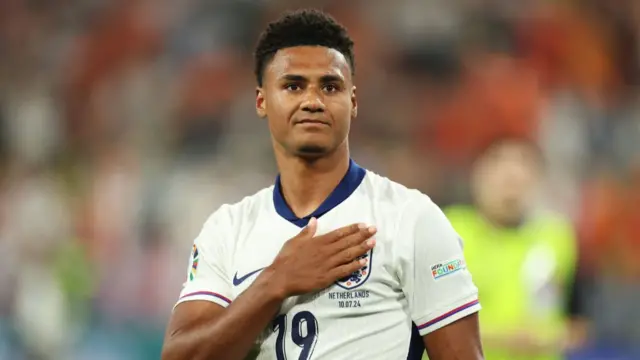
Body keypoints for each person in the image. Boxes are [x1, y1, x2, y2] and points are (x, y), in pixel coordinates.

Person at [161, 9, 483, 360]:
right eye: (293, 85)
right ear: (261, 101)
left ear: (353, 102)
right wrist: (274, 283)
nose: (313, 101)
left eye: (330, 87)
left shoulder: (411, 219)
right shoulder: (227, 230)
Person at [444, 136, 583, 360]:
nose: (512, 181)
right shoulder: (448, 232)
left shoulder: (558, 237)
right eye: (501, 172)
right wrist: (506, 337)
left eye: (521, 173)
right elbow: (430, 318)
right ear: (477, 175)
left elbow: (579, 324)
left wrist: (551, 337)